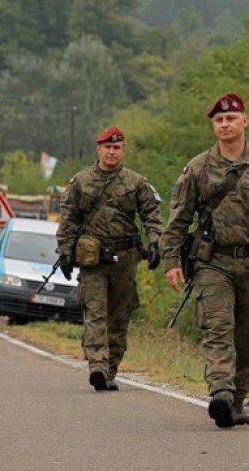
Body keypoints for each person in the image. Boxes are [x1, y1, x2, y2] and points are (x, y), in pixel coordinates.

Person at [161, 92, 249, 429]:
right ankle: (221, 393)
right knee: (219, 327)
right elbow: (179, 219)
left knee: (245, 335)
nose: (225, 124)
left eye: (231, 118)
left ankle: (237, 402)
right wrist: (172, 261)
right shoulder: (198, 167)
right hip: (214, 262)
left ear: (244, 121)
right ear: (214, 126)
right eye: (219, 120)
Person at [56, 126, 163, 392]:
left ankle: (110, 369)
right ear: (99, 149)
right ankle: (97, 366)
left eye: (117, 147)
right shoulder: (81, 181)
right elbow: (68, 219)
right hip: (93, 261)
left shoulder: (136, 182)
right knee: (95, 313)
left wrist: (155, 244)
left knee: (119, 317)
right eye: (107, 147)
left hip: (125, 260)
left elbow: (151, 215)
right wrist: (66, 252)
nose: (112, 152)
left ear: (123, 150)